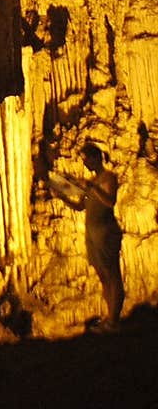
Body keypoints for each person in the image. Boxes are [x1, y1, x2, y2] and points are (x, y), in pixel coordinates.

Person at [69, 141, 124, 331]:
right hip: (92, 232)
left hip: (106, 231)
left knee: (112, 274)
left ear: (95, 158)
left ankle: (114, 321)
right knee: (103, 275)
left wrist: (92, 187)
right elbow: (80, 206)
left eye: (86, 159)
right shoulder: (92, 182)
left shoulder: (109, 177)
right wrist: (63, 196)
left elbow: (110, 202)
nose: (84, 163)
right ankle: (110, 318)